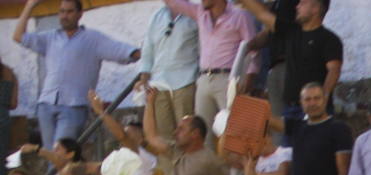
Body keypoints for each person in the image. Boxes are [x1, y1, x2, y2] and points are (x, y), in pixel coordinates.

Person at [12, 0, 140, 149]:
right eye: (62, 11)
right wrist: (30, 5)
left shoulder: (92, 38)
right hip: (46, 104)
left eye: (69, 11)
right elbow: (18, 36)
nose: (64, 16)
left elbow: (121, 51)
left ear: (80, 14)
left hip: (73, 106)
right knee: (50, 156)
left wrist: (148, 54)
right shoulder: (50, 38)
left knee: (62, 154)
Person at [163, 0, 259, 127]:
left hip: (229, 79)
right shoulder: (200, 12)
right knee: (202, 131)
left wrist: (249, 77)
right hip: (203, 79)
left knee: (234, 128)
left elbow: (253, 49)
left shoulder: (240, 15)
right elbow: (174, 2)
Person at [238, 0, 342, 112]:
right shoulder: (291, 32)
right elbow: (262, 14)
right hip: (291, 109)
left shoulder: (330, 39)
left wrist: (323, 98)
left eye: (303, 3)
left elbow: (334, 70)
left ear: (315, 9)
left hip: (313, 108)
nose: (297, 6)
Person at [137, 0, 198, 136]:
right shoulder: (157, 16)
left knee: (186, 134)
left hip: (186, 82)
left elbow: (203, 49)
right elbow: (148, 50)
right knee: (164, 136)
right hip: (159, 84)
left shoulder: (194, 14)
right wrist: (144, 79)